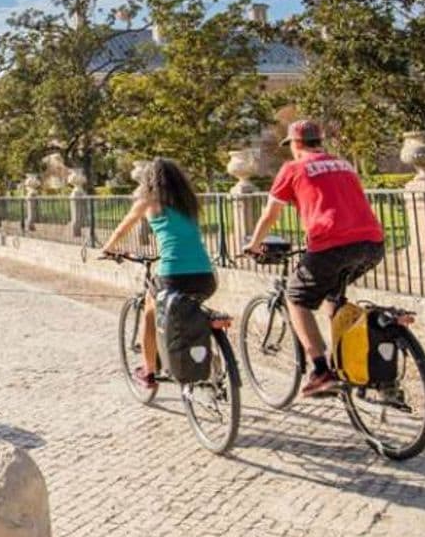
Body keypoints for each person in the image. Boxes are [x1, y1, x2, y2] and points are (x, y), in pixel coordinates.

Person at [245, 119, 385, 397]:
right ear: (319, 141)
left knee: (295, 298)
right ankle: (350, 360)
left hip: (330, 245)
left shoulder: (293, 168)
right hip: (372, 243)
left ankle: (321, 370)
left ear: (296, 144)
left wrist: (253, 244)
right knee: (333, 297)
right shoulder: (344, 164)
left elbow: (270, 214)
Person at [102, 158, 217, 389]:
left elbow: (123, 227)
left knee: (150, 315)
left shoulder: (148, 201)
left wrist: (108, 248)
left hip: (173, 274)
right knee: (191, 310)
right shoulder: (189, 203)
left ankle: (149, 371)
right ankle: (214, 364)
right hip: (206, 275)